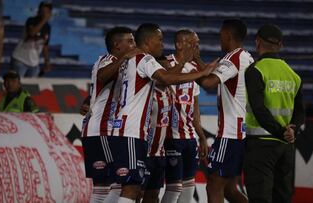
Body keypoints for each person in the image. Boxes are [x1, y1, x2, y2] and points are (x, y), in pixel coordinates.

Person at [110, 23, 217, 203]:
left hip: (139, 132)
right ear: (148, 40)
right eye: (159, 39)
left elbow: (165, 80)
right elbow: (166, 78)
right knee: (130, 188)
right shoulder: (146, 59)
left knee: (139, 189)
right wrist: (203, 72)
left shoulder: (137, 60)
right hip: (133, 130)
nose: (162, 43)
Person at [243, 23, 305, 203]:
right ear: (281, 46)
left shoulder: (255, 71)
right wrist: (292, 131)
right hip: (285, 147)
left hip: (261, 145)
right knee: (282, 197)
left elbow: (258, 109)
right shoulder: (293, 75)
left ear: (257, 42)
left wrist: (280, 131)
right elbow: (300, 112)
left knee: (260, 197)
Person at [197, 19, 254, 203]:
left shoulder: (233, 58)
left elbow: (208, 83)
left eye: (221, 36)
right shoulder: (246, 56)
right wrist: (196, 60)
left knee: (214, 183)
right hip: (241, 131)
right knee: (229, 188)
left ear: (228, 36)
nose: (219, 40)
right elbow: (213, 75)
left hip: (230, 133)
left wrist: (192, 66)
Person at [81, 26, 138, 203]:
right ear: (117, 45)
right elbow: (102, 77)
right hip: (102, 128)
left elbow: (98, 91)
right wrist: (124, 57)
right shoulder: (110, 60)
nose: (134, 44)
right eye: (129, 41)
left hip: (98, 129)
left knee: (102, 187)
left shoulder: (114, 61)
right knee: (119, 183)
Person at [161, 29, 209, 203]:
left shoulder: (194, 68)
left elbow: (194, 107)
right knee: (174, 188)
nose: (195, 47)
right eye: (191, 43)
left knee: (189, 188)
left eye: (197, 43)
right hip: (170, 136)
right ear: (179, 44)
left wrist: (201, 136)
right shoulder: (165, 64)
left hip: (190, 137)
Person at [11, 1, 52, 77]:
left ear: (50, 14)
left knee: (31, 87)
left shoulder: (48, 27)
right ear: (38, 11)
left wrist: (47, 61)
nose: (44, 14)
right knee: (16, 85)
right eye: (42, 11)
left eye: (47, 12)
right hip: (20, 59)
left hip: (34, 63)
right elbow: (32, 33)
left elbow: (45, 45)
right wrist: (43, 20)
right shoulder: (31, 20)